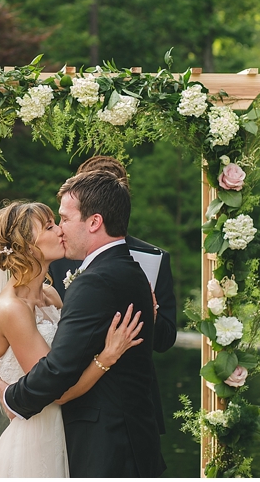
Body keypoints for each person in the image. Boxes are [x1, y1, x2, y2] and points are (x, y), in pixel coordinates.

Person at [0, 201, 144, 477]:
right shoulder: (12, 309)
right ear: (26, 246)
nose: (60, 230)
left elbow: (69, 359)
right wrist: (106, 357)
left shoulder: (51, 295)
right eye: (49, 226)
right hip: (33, 443)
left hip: (67, 433)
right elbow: (57, 391)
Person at [3, 171, 166, 477]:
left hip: (107, 449)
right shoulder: (128, 271)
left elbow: (59, 370)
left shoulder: (96, 281)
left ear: (94, 222)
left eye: (63, 219)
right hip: (128, 441)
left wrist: (10, 397)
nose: (60, 229)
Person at [48, 155, 177, 435]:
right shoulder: (59, 255)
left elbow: (165, 339)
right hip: (72, 387)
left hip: (130, 402)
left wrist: (149, 312)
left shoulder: (153, 258)